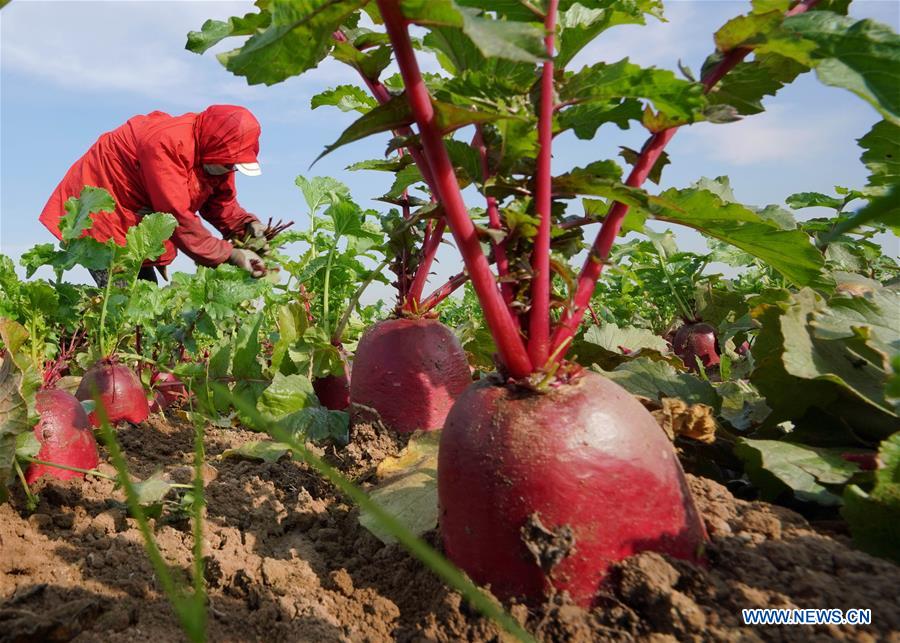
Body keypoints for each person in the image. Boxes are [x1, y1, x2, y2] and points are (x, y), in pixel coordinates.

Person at [39, 105, 269, 284]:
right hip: (104, 212)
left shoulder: (221, 154)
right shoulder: (167, 143)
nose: (232, 170)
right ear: (215, 149)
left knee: (140, 297)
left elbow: (220, 203)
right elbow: (176, 216)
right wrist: (229, 254)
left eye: (235, 166)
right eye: (230, 165)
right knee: (124, 301)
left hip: (136, 216)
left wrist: (247, 225)